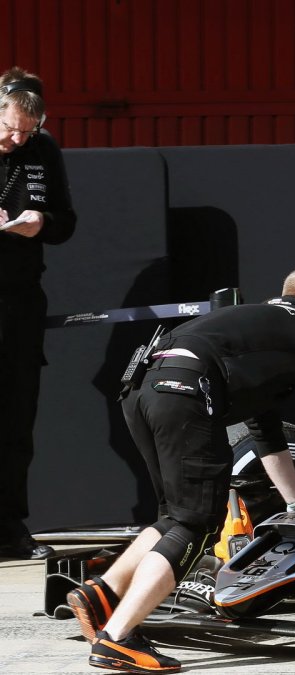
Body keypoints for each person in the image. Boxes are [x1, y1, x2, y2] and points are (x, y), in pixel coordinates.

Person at [66, 266, 295, 673]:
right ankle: (117, 639)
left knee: (176, 517)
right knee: (197, 523)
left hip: (140, 385)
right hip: (185, 389)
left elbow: (264, 429)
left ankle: (102, 594)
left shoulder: (255, 326)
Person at [0, 67, 76, 560]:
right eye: (9, 127)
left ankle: (10, 526)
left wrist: (41, 222)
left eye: (27, 130)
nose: (17, 138)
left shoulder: (43, 150)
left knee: (14, 420)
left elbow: (66, 221)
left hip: (17, 301)